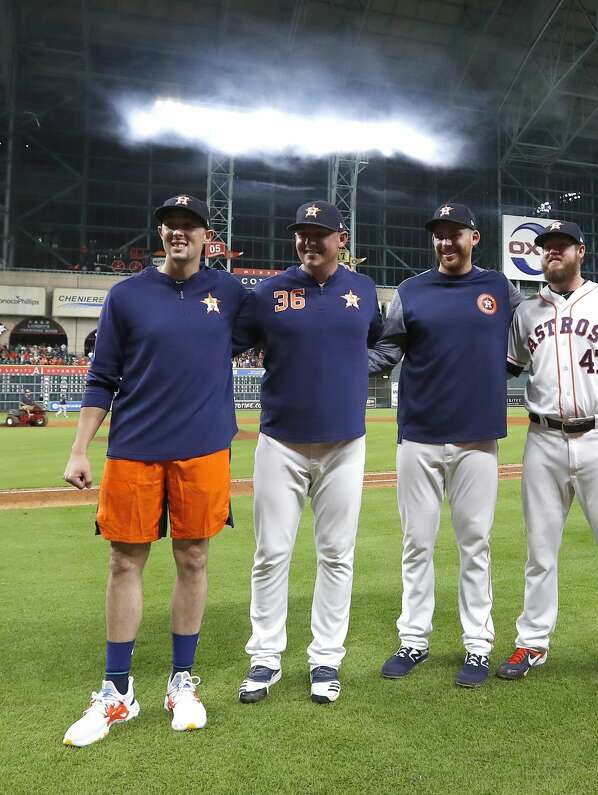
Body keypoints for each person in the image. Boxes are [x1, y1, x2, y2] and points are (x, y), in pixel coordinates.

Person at [61, 194, 248, 747]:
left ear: (207, 236)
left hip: (204, 447)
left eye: (190, 225)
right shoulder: (127, 295)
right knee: (125, 561)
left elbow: (279, 333)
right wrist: (79, 449)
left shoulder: (231, 293)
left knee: (193, 556)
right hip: (135, 446)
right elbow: (102, 377)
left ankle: (181, 683)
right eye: (171, 225)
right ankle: (117, 692)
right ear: (161, 233)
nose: (179, 233)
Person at [497, 219, 598, 696]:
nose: (552, 252)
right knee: (539, 551)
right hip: (543, 440)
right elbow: (503, 372)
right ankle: (531, 641)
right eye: (546, 247)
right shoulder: (526, 312)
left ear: (579, 252)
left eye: (560, 246)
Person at [236, 201, 382, 705]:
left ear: (341, 238)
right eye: (301, 233)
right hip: (281, 441)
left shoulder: (363, 291)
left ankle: (326, 659)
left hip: (346, 443)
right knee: (271, 553)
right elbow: (225, 344)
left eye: (319, 233)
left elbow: (381, 344)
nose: (308, 242)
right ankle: (265, 656)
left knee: (337, 555)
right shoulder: (268, 292)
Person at [372, 203, 522, 689]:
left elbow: (533, 336)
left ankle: (477, 646)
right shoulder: (411, 291)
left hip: (477, 437)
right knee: (416, 543)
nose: (445, 242)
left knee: (474, 544)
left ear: (473, 238)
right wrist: (327, 358)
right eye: (438, 234)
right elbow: (388, 351)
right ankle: (413, 639)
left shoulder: (500, 288)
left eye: (454, 233)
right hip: (418, 435)